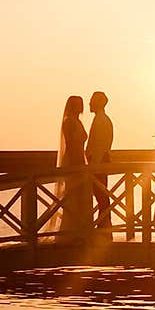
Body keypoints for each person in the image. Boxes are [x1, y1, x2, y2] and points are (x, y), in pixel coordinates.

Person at [57, 95, 88, 234]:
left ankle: (79, 229)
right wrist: (77, 163)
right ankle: (69, 231)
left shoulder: (77, 121)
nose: (81, 107)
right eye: (78, 104)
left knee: (80, 197)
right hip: (73, 161)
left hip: (80, 159)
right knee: (72, 196)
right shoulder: (69, 122)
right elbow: (70, 144)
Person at [87, 90, 113, 231]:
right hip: (100, 161)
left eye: (91, 100)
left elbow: (99, 146)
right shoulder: (102, 119)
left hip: (98, 163)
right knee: (101, 193)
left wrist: (93, 165)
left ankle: (104, 224)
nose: (89, 103)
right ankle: (104, 223)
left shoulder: (101, 120)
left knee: (101, 193)